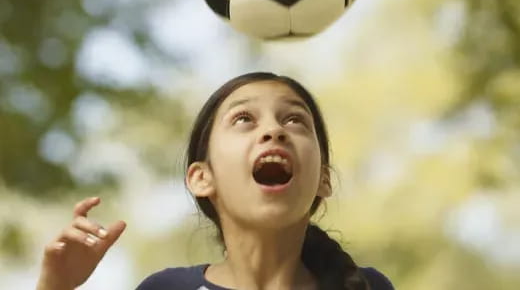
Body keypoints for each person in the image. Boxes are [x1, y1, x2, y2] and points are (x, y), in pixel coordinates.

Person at [36, 72, 395, 290]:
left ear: (323, 180)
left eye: (294, 121)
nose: (273, 130)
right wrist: (58, 285)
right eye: (243, 119)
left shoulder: (367, 289)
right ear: (201, 178)